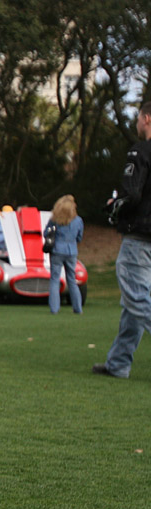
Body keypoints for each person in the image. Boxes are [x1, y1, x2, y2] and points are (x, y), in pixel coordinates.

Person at [93, 101, 151, 377]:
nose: (137, 124)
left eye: (138, 118)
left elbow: (132, 194)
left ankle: (118, 363)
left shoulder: (140, 151)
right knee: (135, 301)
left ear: (147, 119)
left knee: (138, 299)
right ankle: (118, 363)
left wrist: (114, 205)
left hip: (140, 237)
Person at [44, 194, 84, 314]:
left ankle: (54, 308)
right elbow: (79, 237)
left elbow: (46, 233)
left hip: (57, 250)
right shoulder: (78, 220)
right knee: (72, 279)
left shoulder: (55, 220)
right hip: (71, 251)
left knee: (55, 279)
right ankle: (77, 308)